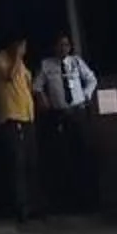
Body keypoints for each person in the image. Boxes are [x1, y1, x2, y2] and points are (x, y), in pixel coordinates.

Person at [35, 35, 98, 208]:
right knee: (65, 155)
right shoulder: (47, 65)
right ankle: (69, 199)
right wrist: (43, 99)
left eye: (66, 45)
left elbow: (92, 79)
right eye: (60, 45)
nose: (63, 48)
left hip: (78, 111)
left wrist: (86, 95)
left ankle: (89, 198)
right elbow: (37, 86)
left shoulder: (76, 62)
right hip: (60, 114)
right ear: (54, 47)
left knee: (83, 152)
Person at [0, 34, 37, 223]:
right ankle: (20, 208)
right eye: (21, 46)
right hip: (11, 117)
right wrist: (16, 56)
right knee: (17, 164)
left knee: (31, 162)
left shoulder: (22, 64)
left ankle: (34, 204)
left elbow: (28, 84)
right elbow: (9, 76)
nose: (24, 50)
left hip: (27, 116)